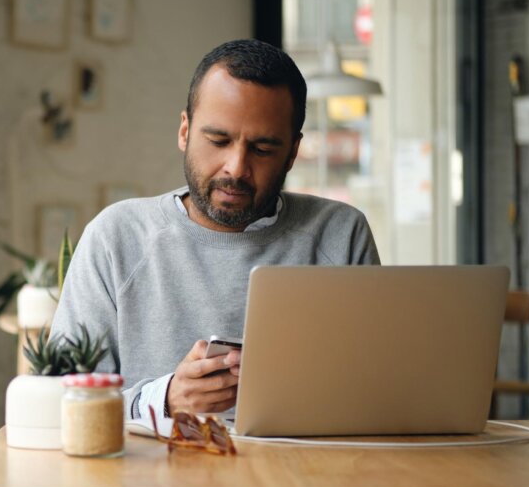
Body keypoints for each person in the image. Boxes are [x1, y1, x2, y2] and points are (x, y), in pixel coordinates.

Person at [50, 39, 380, 421]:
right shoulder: (116, 238)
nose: (236, 168)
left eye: (263, 148)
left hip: (301, 475)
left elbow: (375, 394)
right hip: (155, 479)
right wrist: (166, 399)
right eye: (218, 140)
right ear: (184, 131)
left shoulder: (340, 235)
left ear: (292, 153)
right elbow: (61, 404)